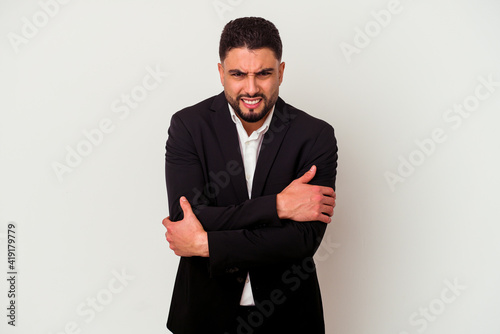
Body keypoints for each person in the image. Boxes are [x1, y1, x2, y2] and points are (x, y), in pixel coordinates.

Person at [162, 17, 338, 334]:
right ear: (221, 73)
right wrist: (278, 207)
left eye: (264, 74)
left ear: (281, 72)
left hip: (290, 317)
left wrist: (205, 245)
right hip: (204, 316)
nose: (251, 88)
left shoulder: (315, 135)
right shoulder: (188, 126)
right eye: (238, 74)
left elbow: (301, 241)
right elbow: (187, 217)